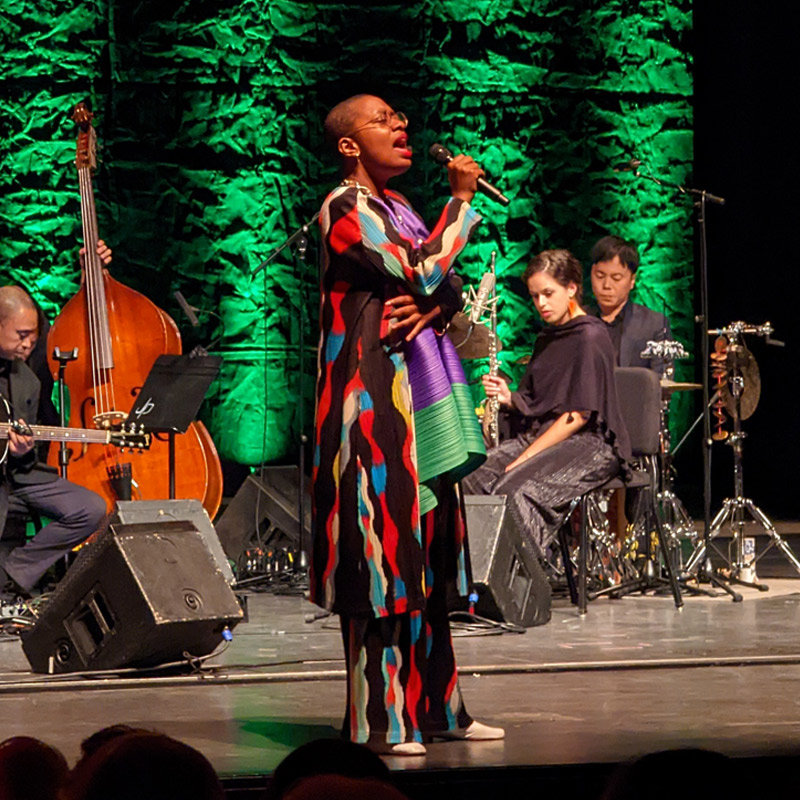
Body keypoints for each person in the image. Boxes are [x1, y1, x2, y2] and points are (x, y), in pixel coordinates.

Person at [310, 93, 504, 755]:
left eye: (401, 117)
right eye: (385, 120)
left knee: (430, 560)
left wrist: (434, 308)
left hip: (415, 406)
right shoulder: (344, 208)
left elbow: (438, 286)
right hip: (369, 408)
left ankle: (439, 707)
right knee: (384, 560)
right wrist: (460, 203)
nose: (403, 126)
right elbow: (418, 267)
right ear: (348, 145)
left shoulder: (397, 207)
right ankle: (382, 720)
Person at [462, 249, 631, 557]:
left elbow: (577, 415)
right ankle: (476, 575)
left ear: (571, 289)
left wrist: (524, 458)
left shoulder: (590, 336)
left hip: (589, 445)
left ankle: (523, 581)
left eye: (548, 294)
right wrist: (509, 397)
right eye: (535, 296)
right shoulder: (548, 338)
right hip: (544, 435)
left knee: (514, 489)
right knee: (471, 476)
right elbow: (541, 399)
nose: (541, 304)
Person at [0, 285, 106, 600]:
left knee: (90, 508)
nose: (30, 342)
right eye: (21, 334)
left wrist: (23, 450)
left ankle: (12, 576)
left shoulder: (27, 380)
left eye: (34, 334)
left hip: (16, 472)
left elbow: (21, 449)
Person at [589, 235, 671, 374]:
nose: (607, 285)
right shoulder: (577, 320)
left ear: (632, 280)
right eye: (600, 276)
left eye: (616, 278)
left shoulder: (654, 324)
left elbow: (661, 383)